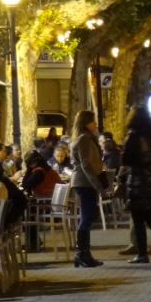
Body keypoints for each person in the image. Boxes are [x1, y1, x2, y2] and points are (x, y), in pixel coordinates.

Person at [121, 107, 151, 264]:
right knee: (150, 218)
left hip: (137, 182)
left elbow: (126, 159)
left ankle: (143, 253)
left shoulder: (132, 137)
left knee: (139, 220)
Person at [70, 110, 106, 268]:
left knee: (88, 215)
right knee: (87, 216)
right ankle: (81, 253)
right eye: (93, 121)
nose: (95, 124)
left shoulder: (85, 138)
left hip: (85, 182)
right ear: (86, 123)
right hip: (84, 182)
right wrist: (97, 183)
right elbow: (86, 164)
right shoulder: (84, 139)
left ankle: (84, 253)